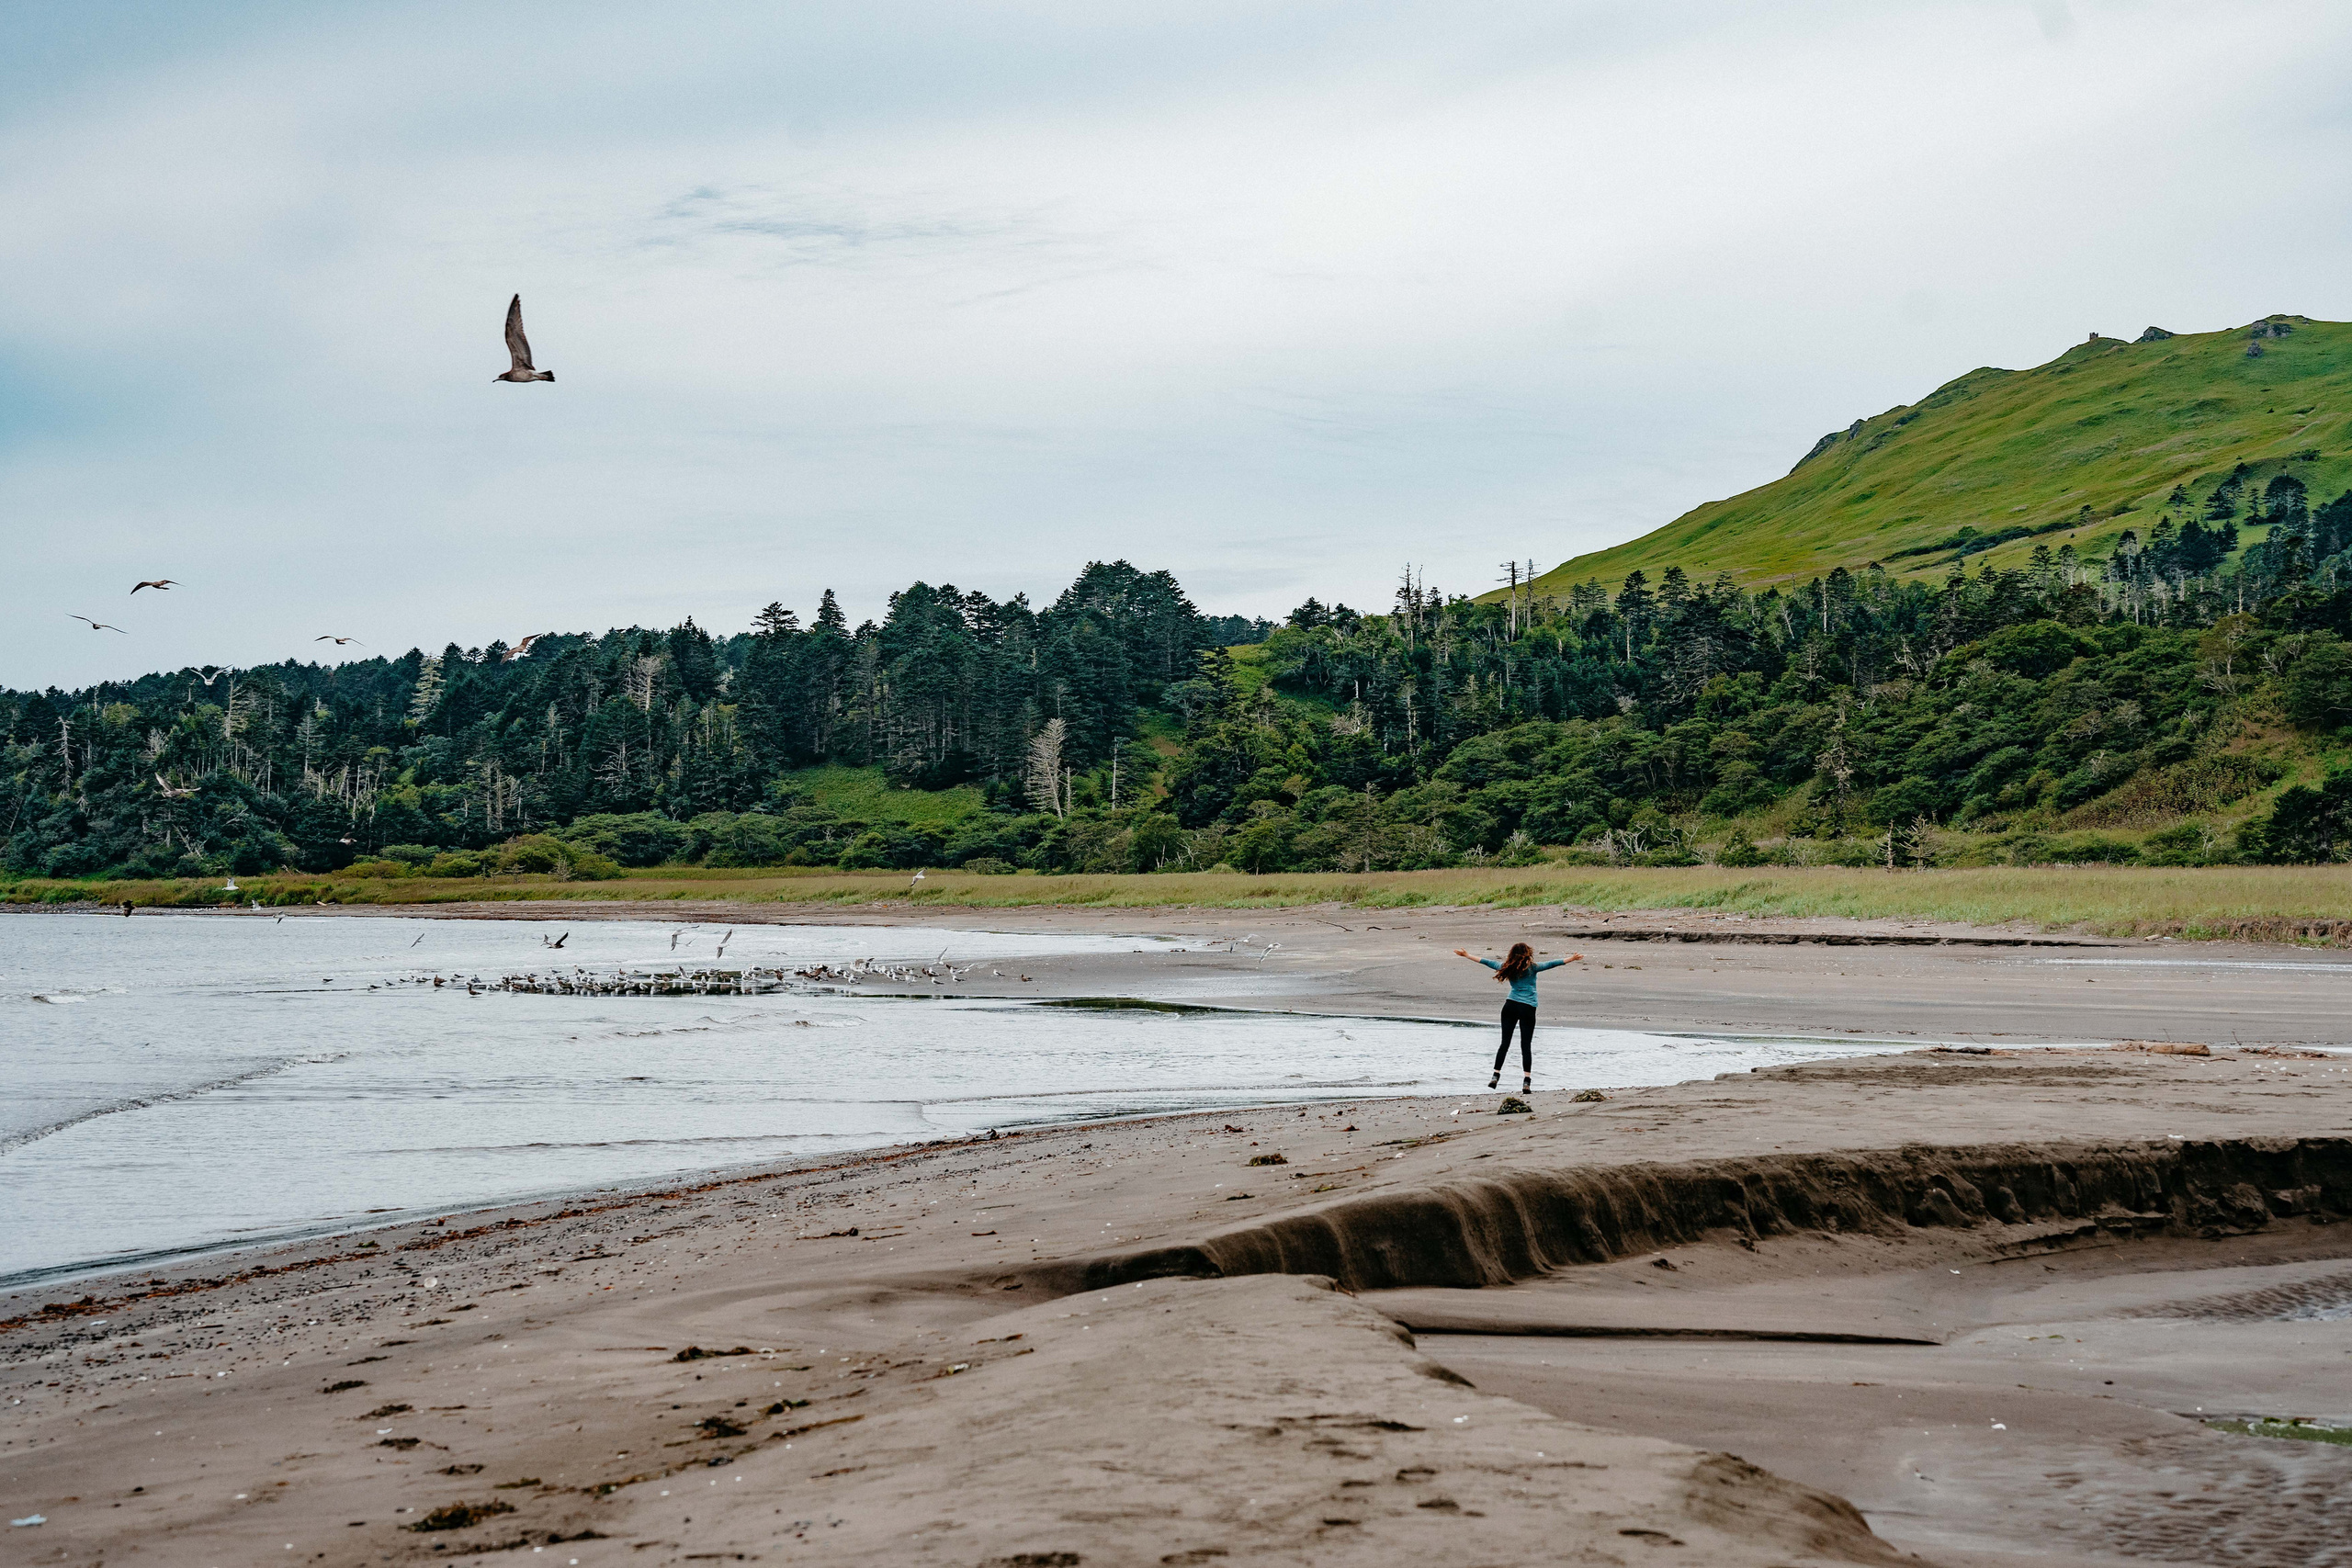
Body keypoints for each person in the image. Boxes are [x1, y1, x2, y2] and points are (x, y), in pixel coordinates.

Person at [1453, 942, 1581, 1091]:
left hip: (1510, 1006)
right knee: (1525, 1046)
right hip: (1528, 1008)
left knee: (1504, 1044)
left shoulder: (1506, 967)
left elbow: (1486, 962)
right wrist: (1571, 959)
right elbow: (1553, 963)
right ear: (1527, 953)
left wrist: (1467, 955)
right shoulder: (1533, 968)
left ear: (1512, 954)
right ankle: (1526, 1081)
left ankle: (1495, 1076)